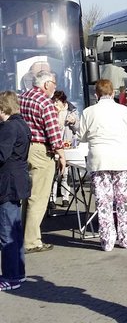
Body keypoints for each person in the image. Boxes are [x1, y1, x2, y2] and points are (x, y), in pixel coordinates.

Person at [78, 79, 127, 252]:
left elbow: (81, 136)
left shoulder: (88, 112)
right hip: (122, 158)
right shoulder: (123, 109)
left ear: (96, 94)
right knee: (123, 200)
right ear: (113, 93)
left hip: (99, 159)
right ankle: (126, 239)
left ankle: (107, 241)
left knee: (104, 202)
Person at [19, 70, 66, 253]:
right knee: (39, 197)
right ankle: (31, 241)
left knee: (26, 196)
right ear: (46, 84)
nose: (55, 87)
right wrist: (62, 155)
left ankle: (22, 234)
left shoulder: (23, 97)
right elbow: (53, 134)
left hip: (25, 148)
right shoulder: (45, 103)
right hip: (40, 149)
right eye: (54, 83)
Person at [0, 91, 31, 291]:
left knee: (7, 231)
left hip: (7, 183)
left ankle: (11, 276)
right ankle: (18, 272)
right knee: (15, 230)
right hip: (18, 180)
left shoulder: (9, 127)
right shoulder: (22, 124)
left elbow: (1, 154)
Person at [50, 90, 78, 206]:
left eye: (57, 102)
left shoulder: (71, 111)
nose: (55, 104)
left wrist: (73, 122)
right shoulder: (51, 112)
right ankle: (52, 198)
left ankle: (65, 197)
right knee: (54, 175)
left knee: (65, 174)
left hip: (67, 145)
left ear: (63, 101)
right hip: (55, 146)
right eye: (54, 102)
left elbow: (78, 128)